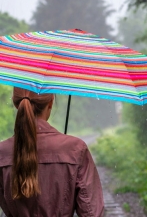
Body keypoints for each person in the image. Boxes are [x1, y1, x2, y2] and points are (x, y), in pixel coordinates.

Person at [0, 87, 104, 217]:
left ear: (16, 103)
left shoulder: (2, 153)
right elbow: (91, 212)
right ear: (50, 102)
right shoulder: (76, 149)